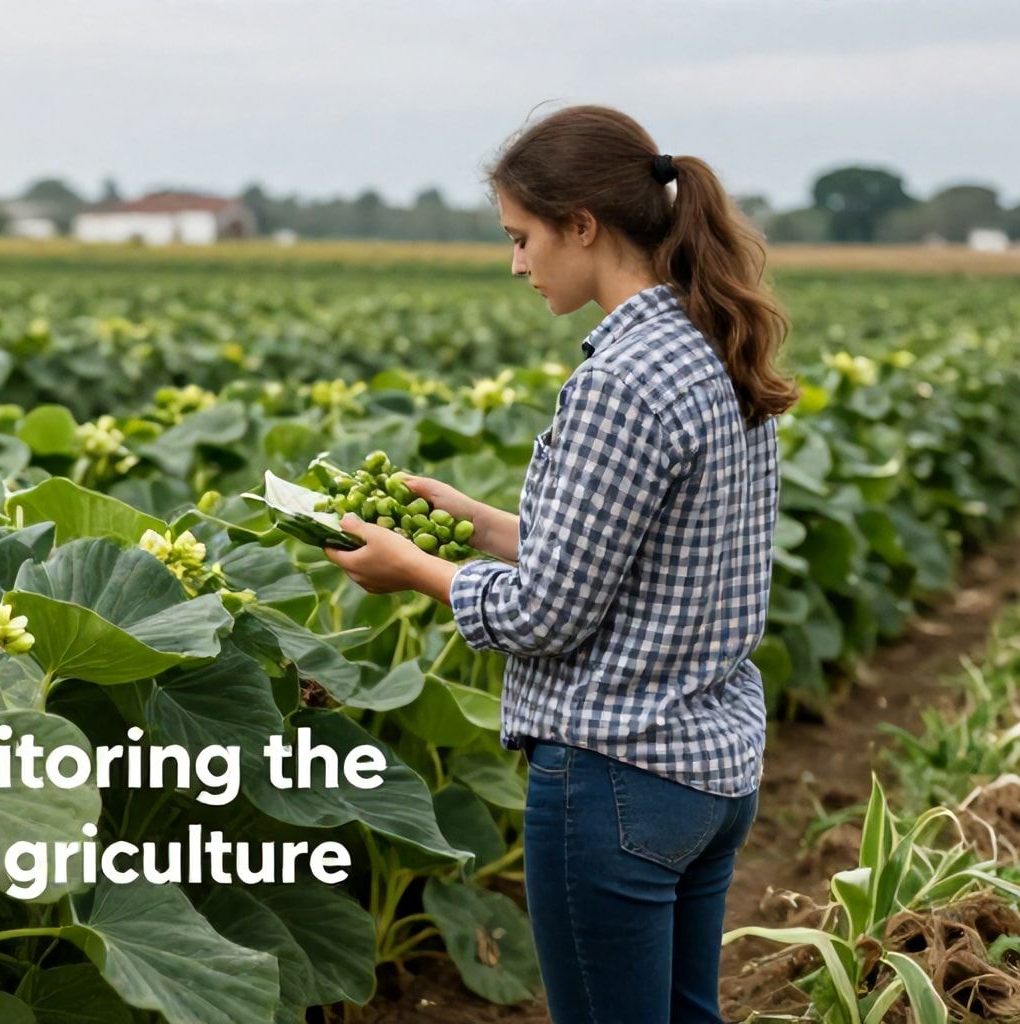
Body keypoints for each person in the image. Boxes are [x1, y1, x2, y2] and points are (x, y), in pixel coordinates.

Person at [325, 105, 799, 1023]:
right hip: (710, 769)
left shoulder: (618, 380)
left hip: (615, 775)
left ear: (583, 224)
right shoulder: (713, 343)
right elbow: (649, 550)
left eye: (522, 236)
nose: (516, 264)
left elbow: (546, 613)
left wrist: (412, 569)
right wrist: (473, 524)